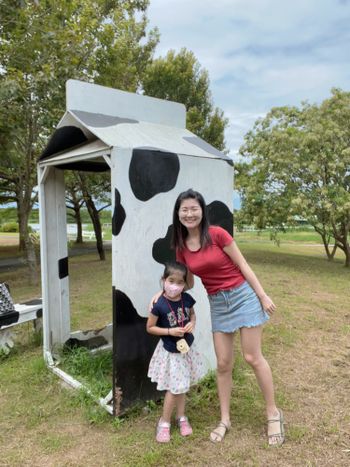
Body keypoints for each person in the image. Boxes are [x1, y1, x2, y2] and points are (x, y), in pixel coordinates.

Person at [150, 189, 285, 446]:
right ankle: (225, 419)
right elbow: (184, 281)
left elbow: (243, 265)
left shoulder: (217, 234)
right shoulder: (181, 248)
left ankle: (273, 413)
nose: (189, 214)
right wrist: (162, 292)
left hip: (241, 296)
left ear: (202, 211)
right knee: (223, 363)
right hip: (217, 303)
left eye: (194, 208)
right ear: (178, 214)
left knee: (252, 357)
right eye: (184, 209)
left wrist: (262, 295)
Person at [147, 261, 206, 443]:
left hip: (186, 349)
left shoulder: (186, 299)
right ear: (164, 280)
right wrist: (169, 332)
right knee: (174, 388)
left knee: (182, 385)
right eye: (171, 281)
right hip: (170, 352)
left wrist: (192, 323)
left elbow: (193, 315)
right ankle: (164, 422)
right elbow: (150, 327)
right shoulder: (159, 304)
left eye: (180, 283)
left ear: (184, 284)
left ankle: (181, 417)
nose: (175, 286)